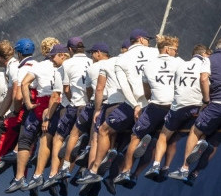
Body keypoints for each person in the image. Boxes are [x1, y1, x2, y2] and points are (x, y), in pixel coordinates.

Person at [77, 29, 158, 186]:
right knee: (154, 137)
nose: (149, 42)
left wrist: (134, 105)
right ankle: (134, 170)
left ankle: (93, 170)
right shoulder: (156, 53)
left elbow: (124, 87)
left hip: (133, 102)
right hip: (156, 103)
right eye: (148, 39)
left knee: (103, 131)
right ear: (141, 40)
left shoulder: (121, 59)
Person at [169, 36, 221, 181]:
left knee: (195, 130)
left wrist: (206, 100)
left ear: (218, 48)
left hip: (220, 104)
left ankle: (184, 169)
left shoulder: (209, 60)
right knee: (215, 140)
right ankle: (197, 171)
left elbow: (204, 79)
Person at [114, 35, 182, 187]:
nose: (176, 53)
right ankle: (162, 167)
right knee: (169, 138)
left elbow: (147, 92)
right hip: (173, 108)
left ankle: (126, 171)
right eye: (175, 50)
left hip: (155, 107)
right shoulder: (179, 63)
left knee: (135, 137)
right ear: (167, 49)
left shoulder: (149, 65)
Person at [145, 44, 211, 181]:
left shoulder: (180, 65)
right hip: (196, 107)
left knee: (164, 136)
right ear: (204, 54)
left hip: (178, 107)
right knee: (196, 130)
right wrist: (206, 100)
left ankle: (156, 165)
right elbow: (206, 82)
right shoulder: (205, 64)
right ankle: (197, 147)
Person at [5, 37, 62, 196]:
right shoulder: (64, 64)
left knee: (25, 140)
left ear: (44, 51)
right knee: (52, 139)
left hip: (42, 105)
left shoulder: (40, 66)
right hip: (60, 105)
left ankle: (20, 178)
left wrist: (29, 104)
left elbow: (24, 84)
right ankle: (51, 176)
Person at [0, 39, 37, 182]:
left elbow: (15, 95)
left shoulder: (15, 68)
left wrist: (13, 113)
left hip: (25, 107)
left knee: (3, 133)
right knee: (26, 140)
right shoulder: (37, 64)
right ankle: (21, 177)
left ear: (18, 53)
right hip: (38, 107)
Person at [43, 37, 92, 190]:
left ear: (69, 51)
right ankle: (72, 171)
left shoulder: (66, 65)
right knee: (81, 141)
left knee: (60, 137)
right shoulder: (92, 61)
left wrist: (73, 101)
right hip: (90, 106)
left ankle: (54, 174)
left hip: (75, 106)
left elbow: (63, 91)